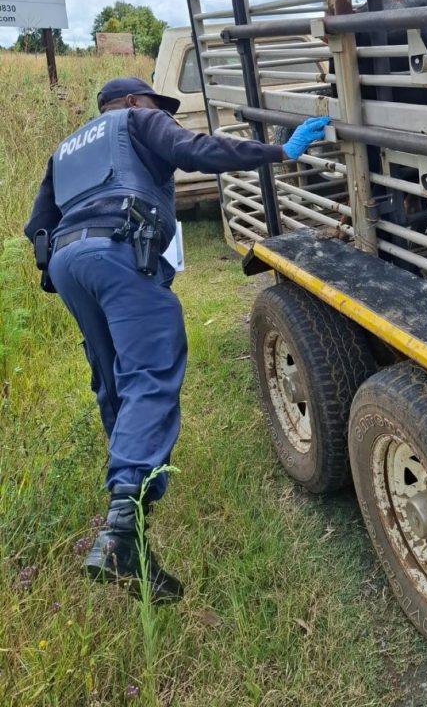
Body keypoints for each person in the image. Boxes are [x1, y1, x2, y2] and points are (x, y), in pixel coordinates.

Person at [24, 75, 330, 603]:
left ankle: (134, 536)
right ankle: (121, 527)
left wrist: (68, 267)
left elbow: (37, 226)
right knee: (151, 367)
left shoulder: (66, 150)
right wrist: (279, 149)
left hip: (70, 264)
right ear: (131, 102)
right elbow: (198, 149)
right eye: (156, 105)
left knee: (113, 378)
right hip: (116, 250)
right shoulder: (137, 121)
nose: (162, 114)